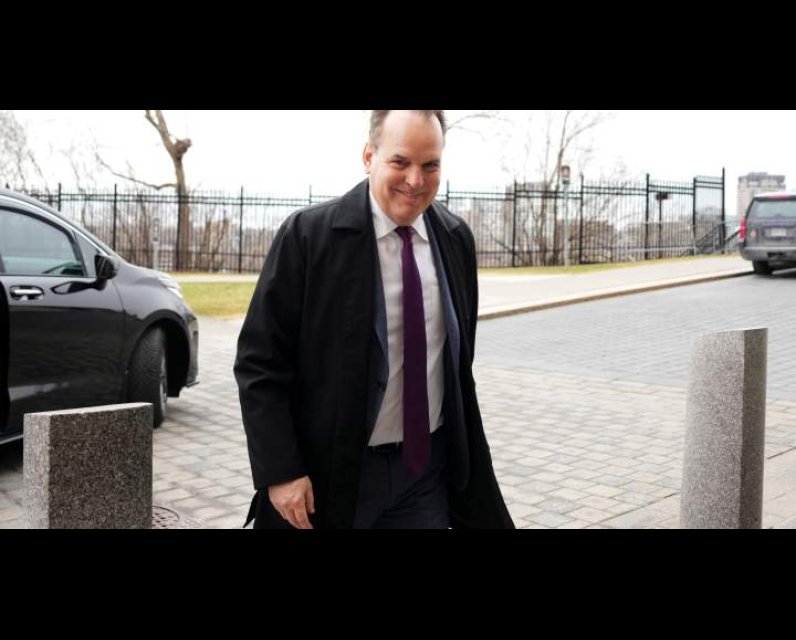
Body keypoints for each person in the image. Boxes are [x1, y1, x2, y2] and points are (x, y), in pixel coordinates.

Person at [234, 110, 513, 529]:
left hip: (425, 476)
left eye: (430, 165)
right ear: (369, 157)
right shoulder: (308, 238)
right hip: (333, 477)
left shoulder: (455, 239)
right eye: (400, 161)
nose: (415, 180)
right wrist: (281, 469)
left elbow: (458, 365)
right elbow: (260, 363)